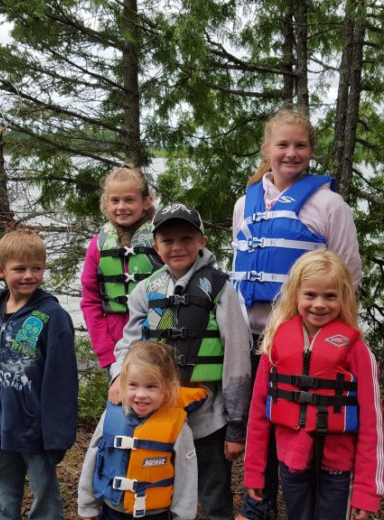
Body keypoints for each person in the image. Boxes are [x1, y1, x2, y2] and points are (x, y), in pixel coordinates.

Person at [232, 109, 363, 519]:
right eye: (283, 145)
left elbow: (347, 274)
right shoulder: (244, 204)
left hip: (297, 344)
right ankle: (258, 506)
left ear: (311, 151)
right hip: (248, 339)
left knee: (297, 429)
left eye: (300, 145)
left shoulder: (329, 204)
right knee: (258, 426)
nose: (291, 153)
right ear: (266, 149)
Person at [109, 202, 253, 520]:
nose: (177, 247)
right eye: (168, 240)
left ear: (202, 241)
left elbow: (238, 358)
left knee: (214, 496)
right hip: (157, 416)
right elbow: (128, 346)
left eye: (186, 238)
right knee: (161, 491)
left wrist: (236, 426)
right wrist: (119, 376)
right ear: (156, 246)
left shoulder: (221, 289)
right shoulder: (145, 292)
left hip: (209, 420)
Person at [244, 250, 384, 520]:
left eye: (330, 296)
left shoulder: (357, 351)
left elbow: (372, 424)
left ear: (343, 298)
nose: (319, 304)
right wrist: (254, 472)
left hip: (339, 470)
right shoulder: (274, 343)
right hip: (291, 463)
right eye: (310, 295)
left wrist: (367, 492)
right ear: (295, 295)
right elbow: (258, 413)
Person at [0, 229, 78, 520]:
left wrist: (58, 434)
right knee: (3, 492)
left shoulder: (52, 316)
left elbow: (63, 382)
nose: (29, 275)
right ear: (0, 271)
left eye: (36, 268)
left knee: (44, 493)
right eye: (19, 269)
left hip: (37, 428)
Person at [78, 341, 207, 520]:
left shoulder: (179, 427)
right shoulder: (110, 415)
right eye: (133, 385)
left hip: (155, 514)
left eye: (151, 386)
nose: (140, 394)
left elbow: (187, 476)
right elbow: (92, 459)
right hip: (113, 511)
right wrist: (87, 506)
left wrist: (183, 516)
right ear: (122, 384)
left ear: (168, 389)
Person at [80, 164, 162, 371]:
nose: (121, 207)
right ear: (106, 204)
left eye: (129, 200)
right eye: (114, 200)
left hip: (158, 344)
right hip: (116, 349)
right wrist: (106, 351)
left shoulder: (161, 240)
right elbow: (90, 300)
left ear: (146, 202)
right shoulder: (97, 245)